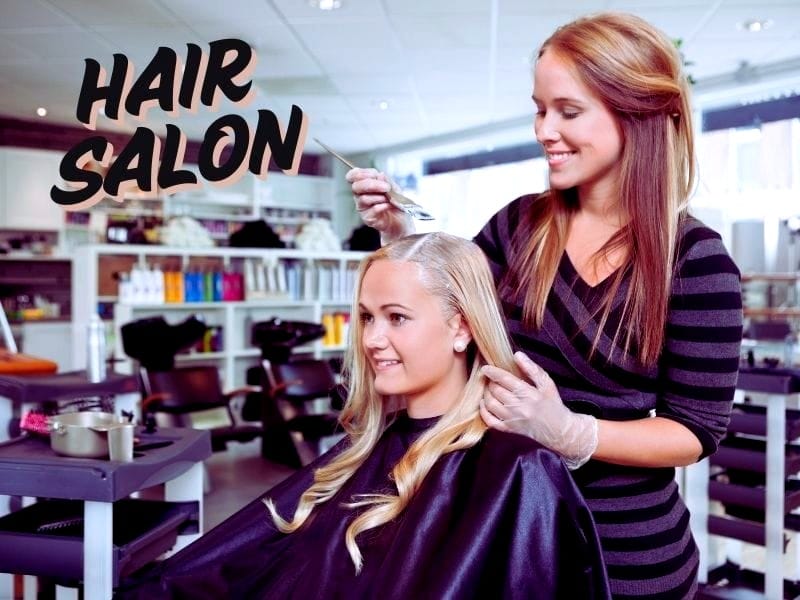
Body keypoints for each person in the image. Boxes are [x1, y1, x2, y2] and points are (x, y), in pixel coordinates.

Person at [348, 12, 743, 599]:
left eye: (568, 110)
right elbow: (449, 313)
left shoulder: (696, 262)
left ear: (635, 113)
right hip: (504, 540)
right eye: (539, 108)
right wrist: (400, 235)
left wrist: (573, 433)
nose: (543, 129)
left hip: (628, 561)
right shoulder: (517, 227)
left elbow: (696, 430)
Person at [116, 232, 611, 599]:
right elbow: (240, 563)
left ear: (461, 329)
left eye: (396, 317)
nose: (372, 339)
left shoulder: (517, 470)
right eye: (368, 317)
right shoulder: (365, 452)